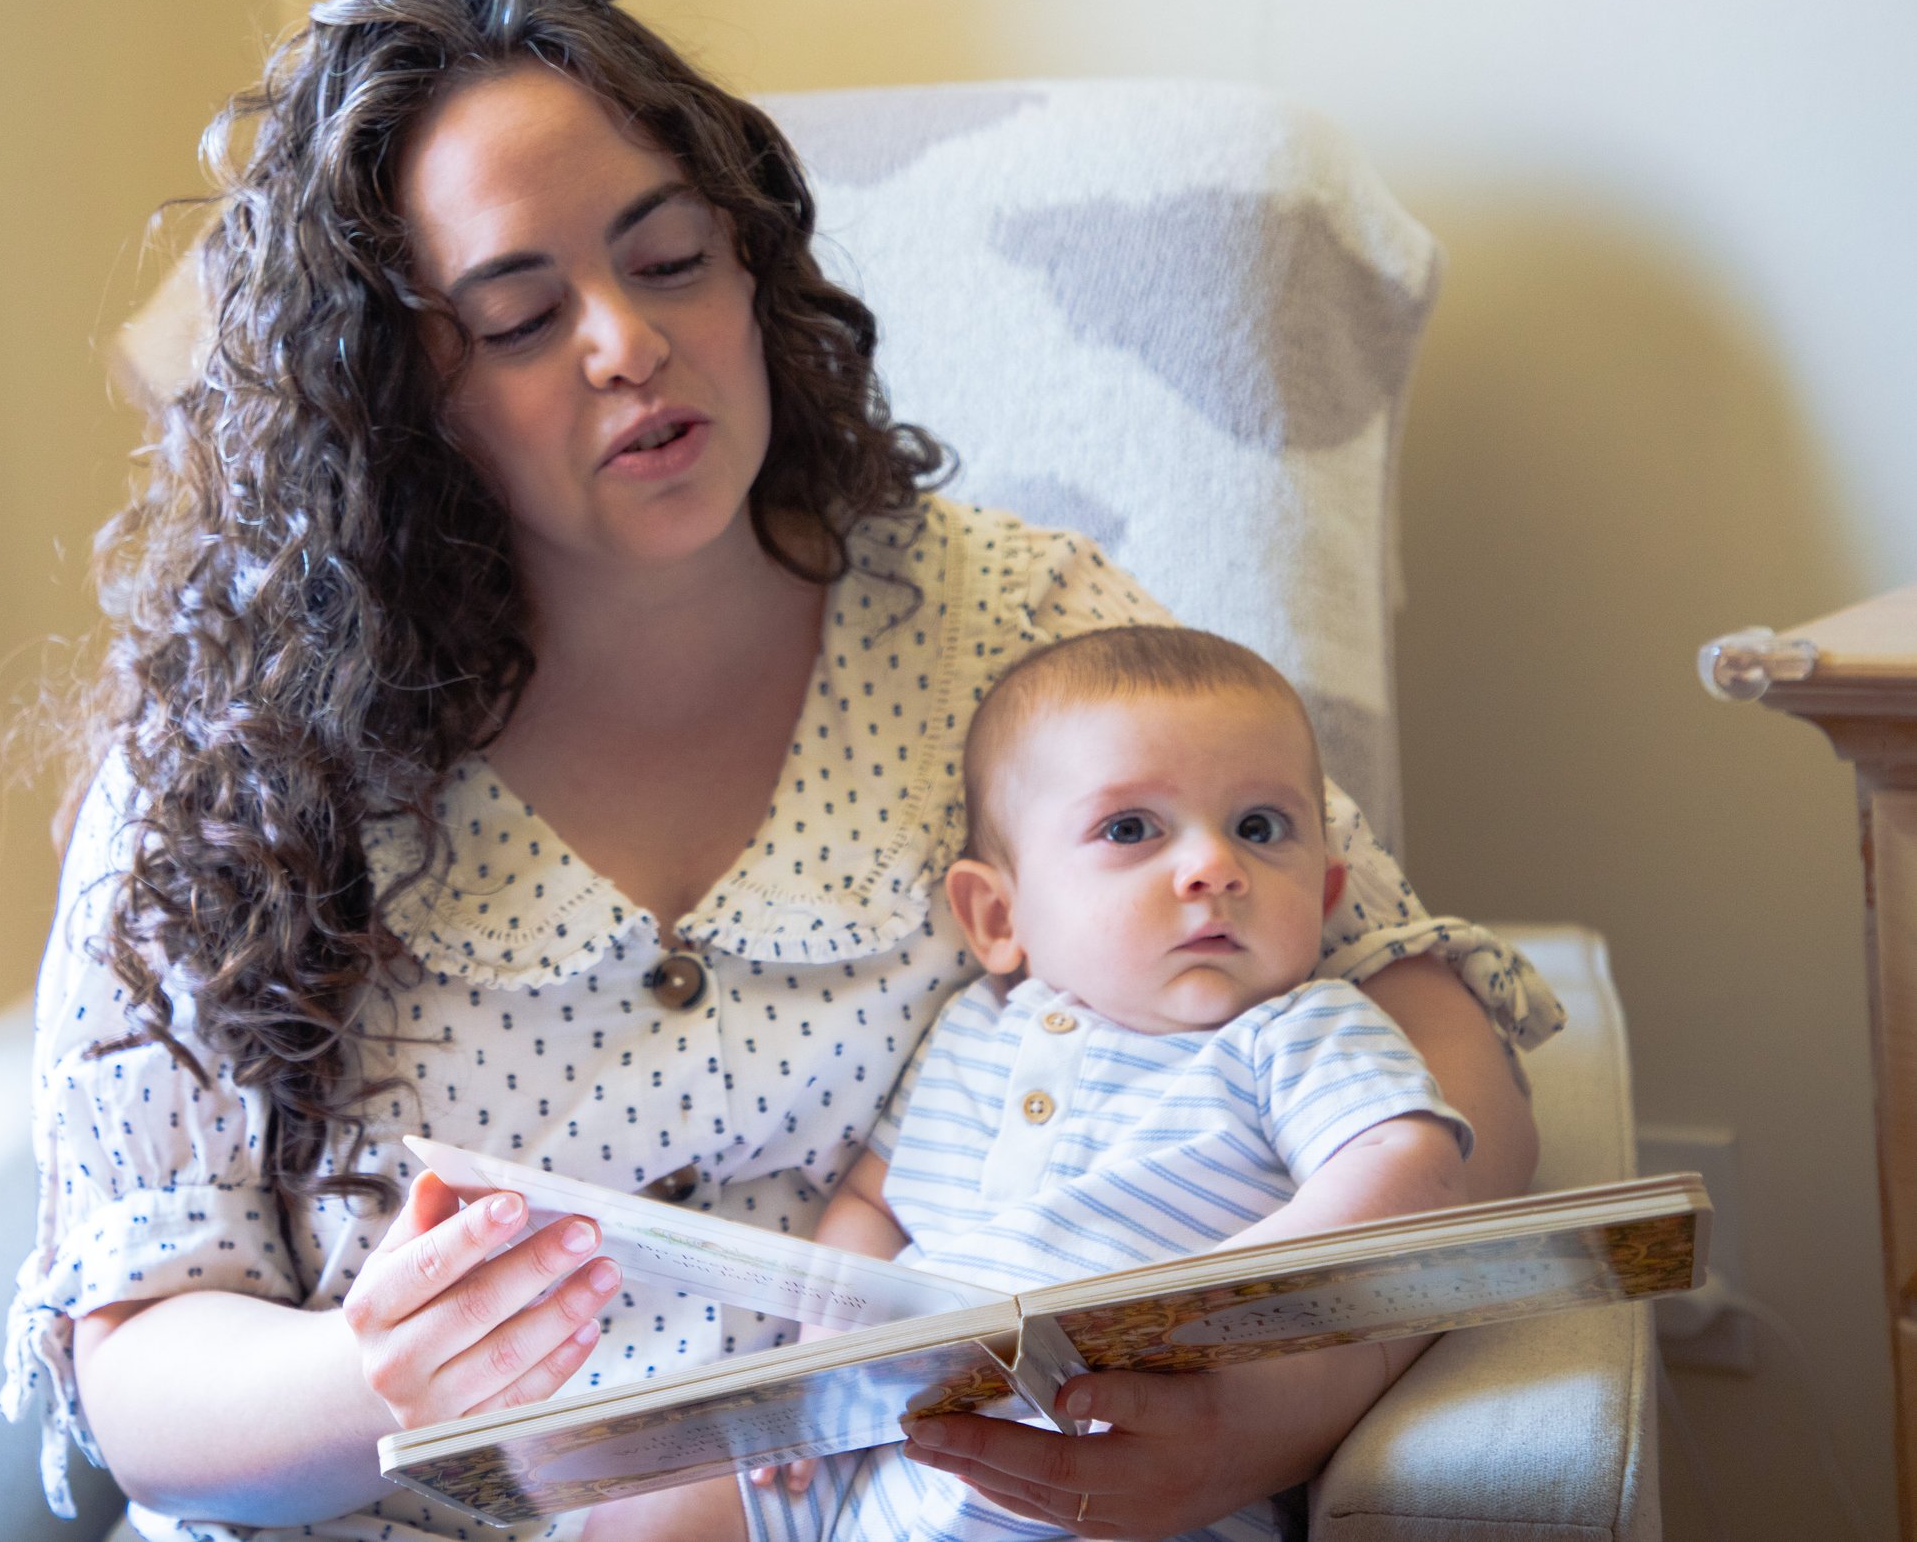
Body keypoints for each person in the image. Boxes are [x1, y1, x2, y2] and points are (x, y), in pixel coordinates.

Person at [0, 0, 1565, 1542]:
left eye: (672, 258)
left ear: (753, 270)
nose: (628, 342)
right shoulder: (232, 766)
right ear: (397, 400)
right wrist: (377, 1369)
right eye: (524, 317)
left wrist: (1261, 1415)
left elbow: (1450, 1077)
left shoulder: (1017, 627)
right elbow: (146, 1363)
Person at [583, 625, 1476, 1542]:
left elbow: (1411, 1161)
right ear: (999, 916)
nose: (1215, 865)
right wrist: (821, 1354)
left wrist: (1220, 1291)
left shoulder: (1299, 1029)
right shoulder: (975, 1028)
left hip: (1110, 1469)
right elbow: (873, 1198)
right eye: (1131, 828)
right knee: (653, 1512)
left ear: (1324, 898)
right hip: (882, 1453)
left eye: (1260, 827)